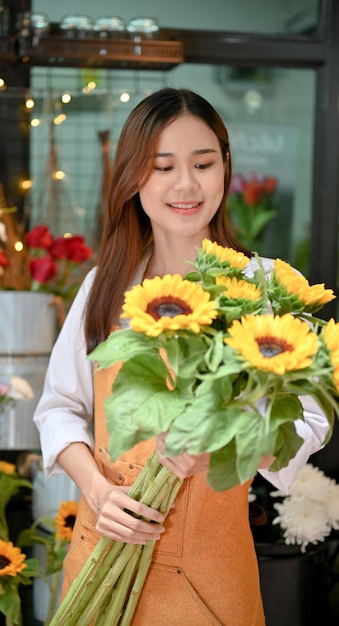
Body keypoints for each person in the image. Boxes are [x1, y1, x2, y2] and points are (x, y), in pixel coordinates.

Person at [33, 87, 330, 625]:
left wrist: (223, 452)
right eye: (162, 166)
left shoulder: (266, 288)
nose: (186, 184)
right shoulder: (105, 286)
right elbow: (59, 409)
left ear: (225, 168)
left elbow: (310, 418)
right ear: (133, 179)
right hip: (100, 555)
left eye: (203, 163)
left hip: (208, 574)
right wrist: (98, 492)